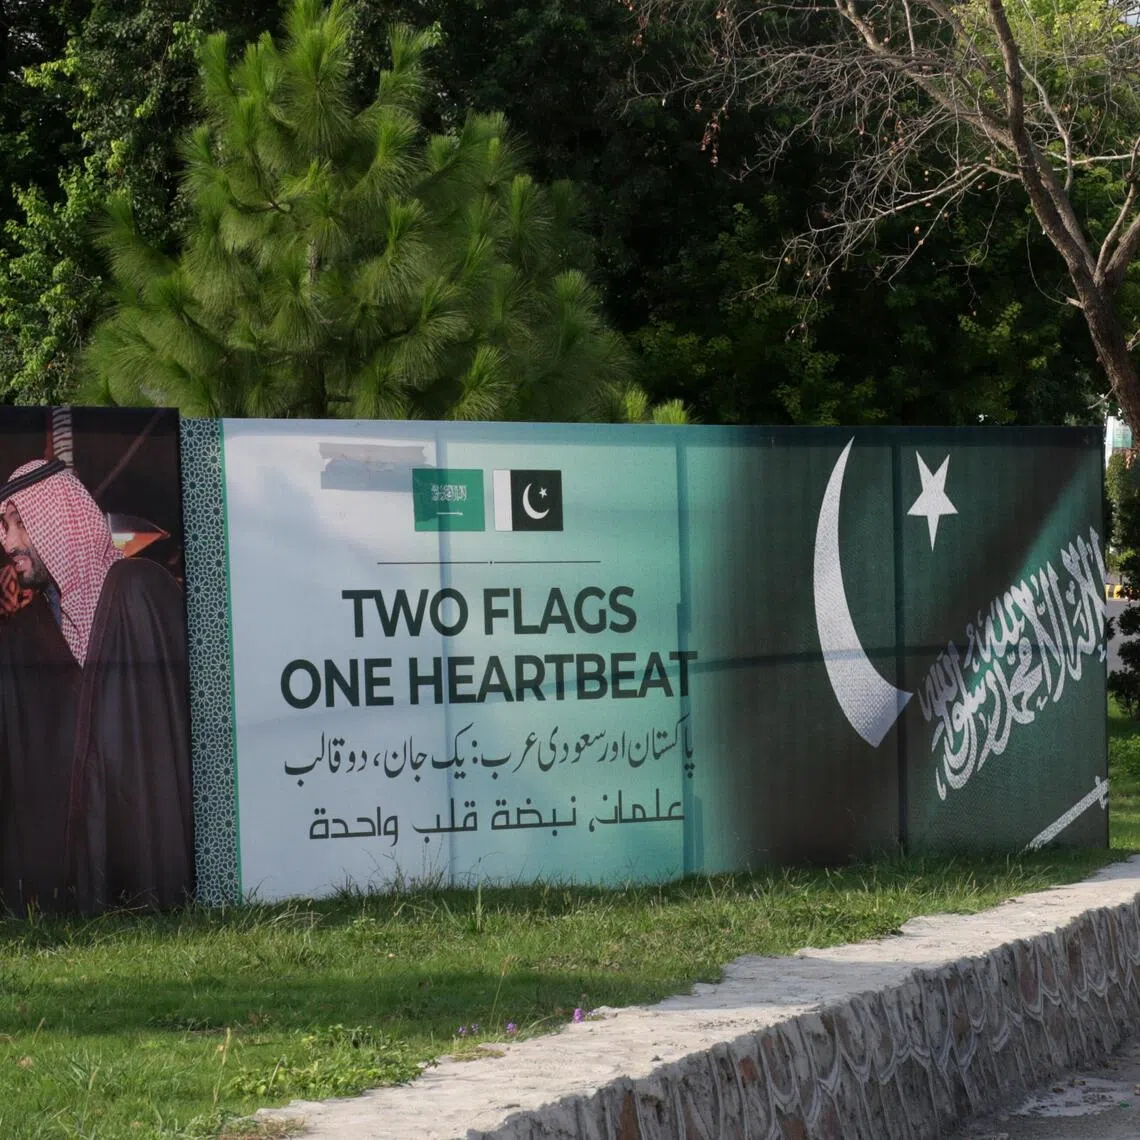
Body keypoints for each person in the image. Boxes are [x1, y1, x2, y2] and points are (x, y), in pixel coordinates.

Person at [0, 457, 193, 914]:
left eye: (15, 523)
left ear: (57, 521)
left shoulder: (140, 590)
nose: (5, 542)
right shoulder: (31, 634)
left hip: (155, 869)